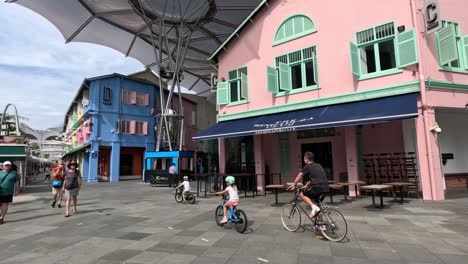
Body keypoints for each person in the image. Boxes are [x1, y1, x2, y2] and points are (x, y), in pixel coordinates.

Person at [287, 152, 329, 218]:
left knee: (301, 193)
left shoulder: (307, 166)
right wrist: (307, 185)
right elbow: (315, 177)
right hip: (326, 188)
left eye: (304, 159)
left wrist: (294, 185)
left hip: (318, 188)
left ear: (306, 159)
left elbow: (299, 175)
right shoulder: (318, 165)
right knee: (317, 205)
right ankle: (321, 225)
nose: (304, 161)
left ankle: (313, 207)